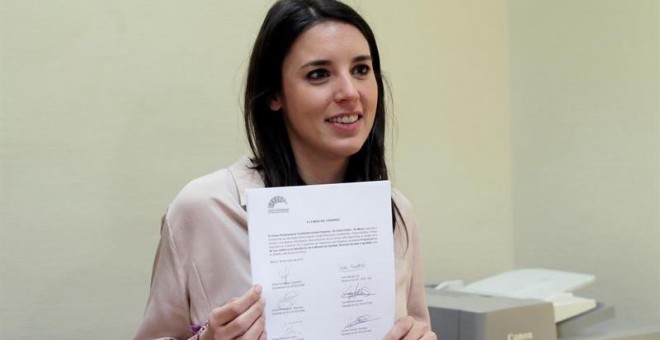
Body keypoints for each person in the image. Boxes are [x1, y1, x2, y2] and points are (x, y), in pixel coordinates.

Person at [134, 0, 436, 339]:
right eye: (319, 74)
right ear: (274, 94)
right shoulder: (206, 209)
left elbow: (416, 326)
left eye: (361, 70)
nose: (350, 92)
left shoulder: (396, 212)